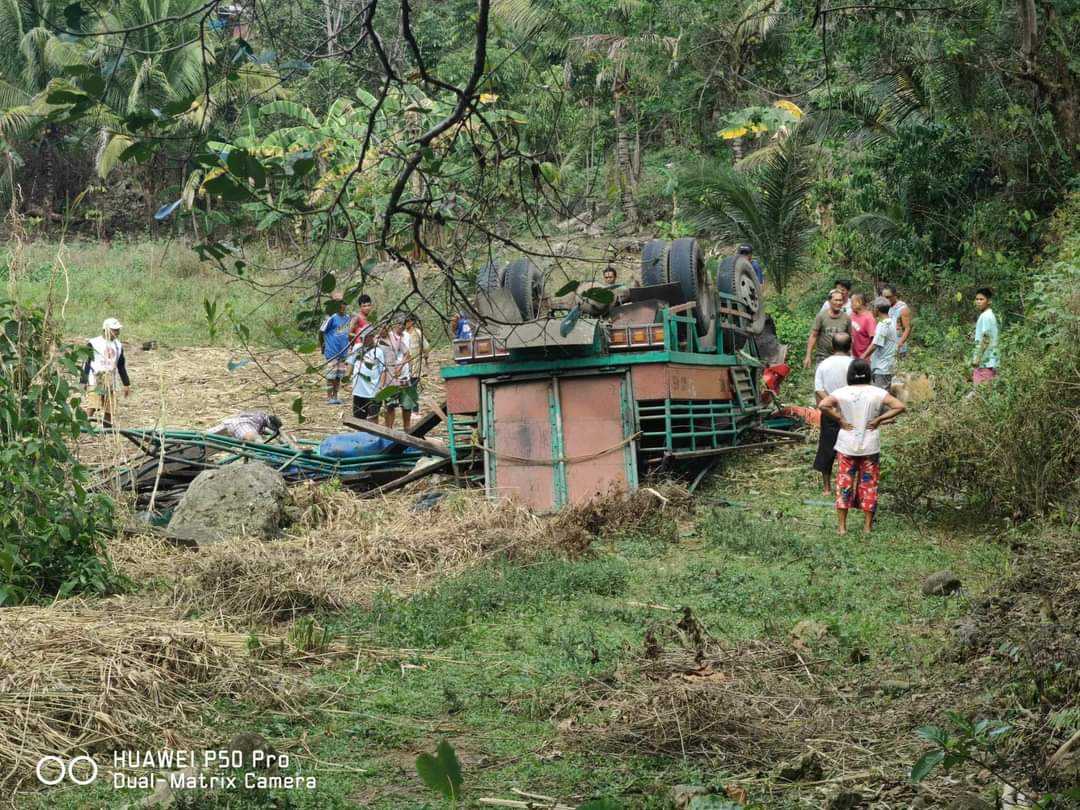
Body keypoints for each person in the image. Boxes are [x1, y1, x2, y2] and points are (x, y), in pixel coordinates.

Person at [818, 359, 906, 535]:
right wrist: (880, 419)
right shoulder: (877, 392)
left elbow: (822, 405)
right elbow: (900, 406)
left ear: (850, 374)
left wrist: (840, 419)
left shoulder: (841, 392)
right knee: (869, 485)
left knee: (844, 484)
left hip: (846, 445)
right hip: (870, 446)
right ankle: (867, 527)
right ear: (869, 374)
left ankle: (842, 527)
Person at [812, 333, 853, 495]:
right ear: (849, 347)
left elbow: (818, 389)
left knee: (827, 447)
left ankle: (827, 488)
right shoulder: (854, 364)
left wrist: (831, 401)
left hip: (830, 411)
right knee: (850, 448)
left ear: (833, 347)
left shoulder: (823, 365)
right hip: (850, 412)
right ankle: (847, 485)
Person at [81, 317, 131, 424]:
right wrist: (83, 380)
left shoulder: (118, 345)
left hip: (110, 380)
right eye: (115, 330)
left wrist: (126, 384)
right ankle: (84, 426)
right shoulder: (93, 343)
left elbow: (121, 365)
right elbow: (87, 362)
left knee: (110, 408)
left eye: (118, 330)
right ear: (106, 330)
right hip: (95, 379)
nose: (117, 332)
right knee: (93, 405)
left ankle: (107, 431)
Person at [319, 291, 353, 405]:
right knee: (331, 375)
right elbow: (321, 331)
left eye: (343, 304)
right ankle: (329, 397)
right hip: (332, 352)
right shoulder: (331, 318)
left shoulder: (348, 318)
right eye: (339, 304)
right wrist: (322, 345)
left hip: (343, 353)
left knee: (338, 376)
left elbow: (346, 333)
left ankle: (335, 395)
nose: (342, 306)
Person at [804, 289, 852, 369]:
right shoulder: (821, 316)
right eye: (836, 300)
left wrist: (849, 355)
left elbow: (850, 337)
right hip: (823, 357)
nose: (838, 303)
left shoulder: (846, 318)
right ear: (829, 301)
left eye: (840, 300)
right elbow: (813, 336)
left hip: (840, 358)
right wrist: (808, 355)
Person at [349, 325, 387, 420]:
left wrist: (381, 387)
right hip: (358, 391)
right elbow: (350, 364)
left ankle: (372, 435)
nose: (363, 339)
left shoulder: (378, 351)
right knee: (358, 418)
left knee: (373, 417)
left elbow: (383, 370)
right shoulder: (357, 348)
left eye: (366, 337)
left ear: (372, 337)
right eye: (362, 337)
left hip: (372, 391)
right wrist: (346, 380)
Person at [382, 314, 412, 430]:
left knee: (407, 405)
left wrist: (401, 366)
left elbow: (407, 354)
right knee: (390, 405)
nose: (401, 326)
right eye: (398, 324)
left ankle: (408, 430)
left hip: (403, 375)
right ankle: (388, 430)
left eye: (402, 324)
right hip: (390, 377)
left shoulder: (403, 338)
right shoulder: (384, 339)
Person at [862, 299, 899, 390]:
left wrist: (862, 357)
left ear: (877, 309)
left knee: (880, 397)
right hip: (886, 365)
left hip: (882, 367)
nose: (871, 311)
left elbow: (875, 344)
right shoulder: (891, 321)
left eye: (873, 309)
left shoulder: (884, 325)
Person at [971, 287, 1000, 384]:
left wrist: (977, 359)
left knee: (978, 393)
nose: (978, 302)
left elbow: (986, 338)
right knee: (984, 393)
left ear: (989, 301)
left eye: (981, 299)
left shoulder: (986, 316)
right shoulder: (988, 315)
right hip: (990, 362)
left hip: (984, 363)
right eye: (977, 299)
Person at [404, 314, 429, 421]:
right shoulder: (404, 334)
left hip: (415, 364)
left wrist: (425, 357)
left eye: (407, 321)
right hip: (405, 365)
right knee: (406, 387)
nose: (405, 324)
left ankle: (415, 410)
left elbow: (426, 346)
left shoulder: (418, 332)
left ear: (411, 322)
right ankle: (407, 408)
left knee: (413, 387)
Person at [880, 285, 912, 359]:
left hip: (899, 348)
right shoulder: (885, 306)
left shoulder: (902, 308)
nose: (885, 299)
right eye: (883, 297)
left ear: (895, 295)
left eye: (888, 297)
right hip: (887, 347)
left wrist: (899, 344)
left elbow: (907, 328)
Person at [208, 411, 283, 443]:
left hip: (227, 429)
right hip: (231, 427)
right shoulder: (247, 423)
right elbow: (249, 435)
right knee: (256, 439)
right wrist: (259, 441)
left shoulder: (257, 419)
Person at [848, 293, 876, 360]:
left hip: (865, 359)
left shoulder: (869, 319)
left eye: (852, 302)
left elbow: (875, 342)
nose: (850, 305)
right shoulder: (852, 315)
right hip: (853, 357)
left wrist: (863, 356)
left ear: (859, 302)